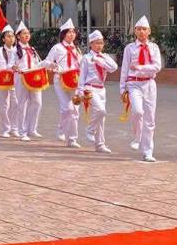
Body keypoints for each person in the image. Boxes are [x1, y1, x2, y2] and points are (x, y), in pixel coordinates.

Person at [119, 16, 162, 162]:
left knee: (150, 118)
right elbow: (124, 69)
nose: (142, 32)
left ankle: (148, 151)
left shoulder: (154, 48)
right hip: (134, 83)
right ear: (135, 31)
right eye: (139, 29)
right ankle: (137, 138)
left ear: (149, 31)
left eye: (144, 29)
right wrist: (122, 89)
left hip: (149, 83)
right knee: (137, 111)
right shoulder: (130, 48)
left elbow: (157, 66)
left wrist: (140, 67)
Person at [76, 30, 119, 153]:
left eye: (101, 43)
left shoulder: (105, 57)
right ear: (91, 44)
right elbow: (82, 75)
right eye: (96, 43)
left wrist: (100, 60)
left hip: (101, 89)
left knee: (101, 118)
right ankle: (90, 129)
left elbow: (113, 68)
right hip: (90, 88)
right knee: (101, 111)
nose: (99, 45)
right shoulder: (86, 58)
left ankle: (100, 144)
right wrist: (80, 91)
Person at [45, 18, 83, 148]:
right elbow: (47, 62)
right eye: (69, 32)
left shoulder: (77, 49)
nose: (72, 34)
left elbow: (81, 64)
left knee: (75, 110)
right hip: (60, 81)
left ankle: (72, 138)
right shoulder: (57, 48)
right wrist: (56, 67)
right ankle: (61, 129)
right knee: (67, 108)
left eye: (73, 32)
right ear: (63, 34)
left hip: (75, 80)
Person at [13, 22, 48, 141]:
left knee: (37, 102)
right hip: (21, 77)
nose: (27, 35)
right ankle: (21, 131)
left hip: (33, 77)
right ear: (18, 36)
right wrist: (14, 67)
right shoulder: (15, 50)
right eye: (24, 33)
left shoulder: (32, 49)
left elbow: (38, 63)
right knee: (22, 104)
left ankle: (32, 128)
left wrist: (48, 64)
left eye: (28, 33)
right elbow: (11, 64)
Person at [0, 25, 19, 137]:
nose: (11, 38)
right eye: (8, 36)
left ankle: (15, 127)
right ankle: (5, 128)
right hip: (2, 81)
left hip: (15, 81)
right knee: (4, 105)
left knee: (16, 104)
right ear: (3, 39)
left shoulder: (18, 51)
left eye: (12, 36)